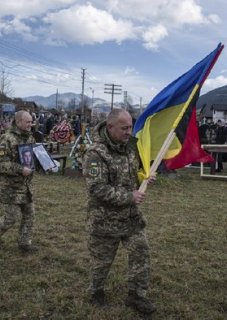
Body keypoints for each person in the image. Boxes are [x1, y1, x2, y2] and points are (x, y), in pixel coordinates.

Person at [83, 109, 157, 314]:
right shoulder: (95, 153)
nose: (128, 132)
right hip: (104, 220)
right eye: (124, 128)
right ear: (110, 127)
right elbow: (96, 189)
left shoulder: (130, 148)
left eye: (130, 127)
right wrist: (128, 197)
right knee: (101, 262)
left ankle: (136, 296)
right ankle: (96, 291)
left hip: (131, 218)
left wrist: (144, 178)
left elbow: (130, 176)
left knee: (141, 252)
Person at [0, 111, 38, 253]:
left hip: (26, 186)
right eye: (27, 122)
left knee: (30, 215)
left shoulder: (30, 138)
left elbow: (33, 159)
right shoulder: (7, 139)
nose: (30, 124)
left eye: (31, 121)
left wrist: (45, 164)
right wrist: (20, 169)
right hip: (10, 187)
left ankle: (24, 243)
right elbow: (0, 164)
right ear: (18, 122)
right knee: (11, 217)